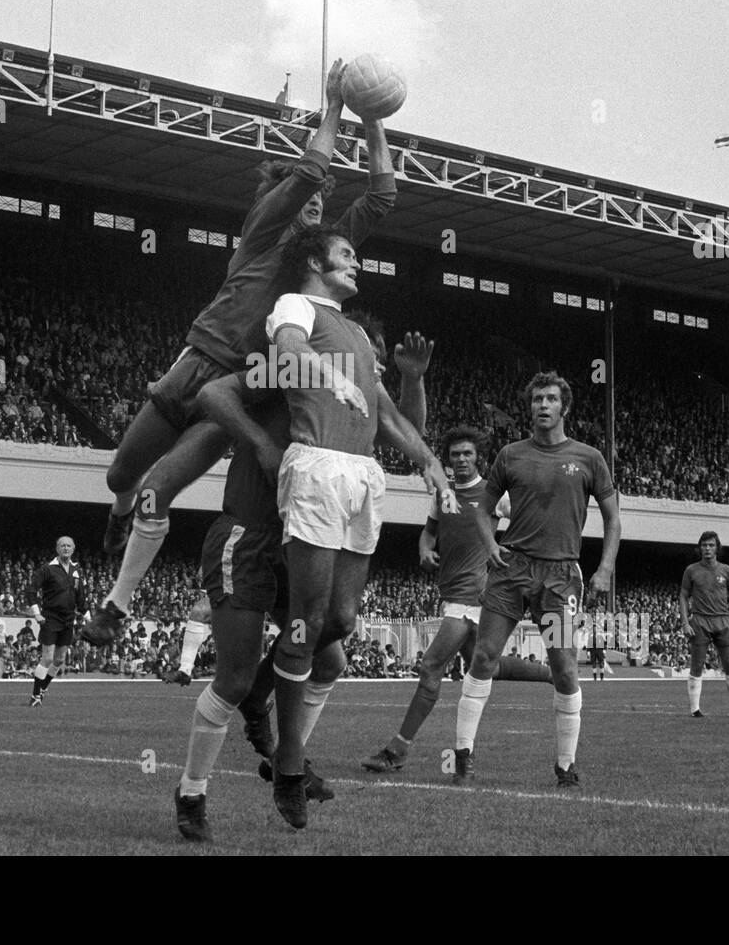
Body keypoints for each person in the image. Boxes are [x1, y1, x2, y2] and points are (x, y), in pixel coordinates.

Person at [83, 59, 397, 645]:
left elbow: (381, 198)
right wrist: (332, 107)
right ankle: (118, 512)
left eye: (321, 198)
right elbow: (307, 172)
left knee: (160, 487)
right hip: (195, 360)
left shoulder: (315, 260)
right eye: (301, 194)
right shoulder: (261, 234)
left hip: (241, 384)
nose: (313, 200)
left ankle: (115, 606)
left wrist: (374, 122)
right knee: (122, 475)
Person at [212, 225, 455, 828]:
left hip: (363, 474)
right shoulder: (295, 305)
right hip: (317, 465)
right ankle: (289, 767)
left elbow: (392, 416)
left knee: (341, 620)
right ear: (316, 263)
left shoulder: (361, 336)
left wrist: (428, 461)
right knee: (308, 619)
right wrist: (332, 377)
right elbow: (291, 352)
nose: (356, 264)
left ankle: (261, 690)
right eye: (347, 255)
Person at [175, 318, 434, 841]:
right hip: (249, 533)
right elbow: (214, 395)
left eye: (379, 367)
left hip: (300, 542)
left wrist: (411, 380)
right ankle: (191, 792)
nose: (373, 371)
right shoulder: (291, 371)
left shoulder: (358, 402)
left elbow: (409, 430)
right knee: (235, 677)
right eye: (372, 363)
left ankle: (286, 757)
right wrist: (262, 444)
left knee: (332, 647)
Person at [451, 371, 621, 789]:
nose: (542, 406)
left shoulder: (589, 458)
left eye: (550, 399)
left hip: (561, 578)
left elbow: (614, 520)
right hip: (512, 571)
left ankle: (565, 766)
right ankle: (463, 756)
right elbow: (482, 508)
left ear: (564, 407)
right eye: (536, 400)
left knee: (563, 668)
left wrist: (604, 569)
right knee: (484, 657)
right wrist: (490, 545)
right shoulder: (510, 455)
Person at [361, 426, 553, 773]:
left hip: (474, 595)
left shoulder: (495, 495)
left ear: (478, 456)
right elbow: (429, 531)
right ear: (447, 460)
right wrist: (424, 550)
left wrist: (507, 553)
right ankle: (551, 674)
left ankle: (397, 751)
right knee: (487, 666)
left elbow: (533, 522)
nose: (461, 459)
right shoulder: (442, 494)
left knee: (431, 666)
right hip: (452, 592)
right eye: (454, 455)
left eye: (467, 453)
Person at [680, 531, 729, 718]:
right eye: (704, 545)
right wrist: (685, 623)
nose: (707, 548)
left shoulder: (726, 571)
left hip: (723, 620)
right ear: (699, 548)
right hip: (700, 621)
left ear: (717, 548)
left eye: (710, 545)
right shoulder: (691, 570)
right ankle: (695, 710)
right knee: (697, 665)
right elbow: (683, 596)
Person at [27, 536, 83, 706]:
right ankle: (35, 696)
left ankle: (43, 689)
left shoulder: (77, 570)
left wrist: (87, 616)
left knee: (59, 660)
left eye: (69, 546)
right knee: (48, 657)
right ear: (57, 549)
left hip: (68, 619)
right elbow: (31, 591)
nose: (66, 548)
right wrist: (37, 614)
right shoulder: (47, 569)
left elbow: (81, 596)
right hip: (50, 617)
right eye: (62, 546)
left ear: (73, 549)